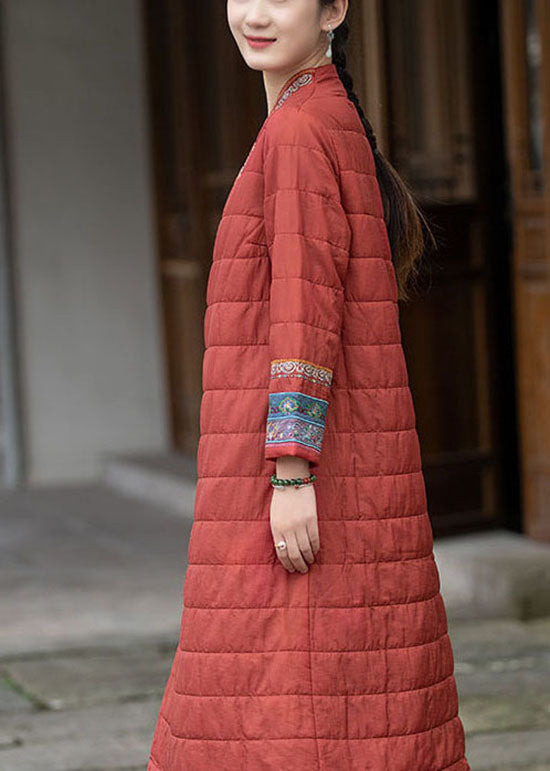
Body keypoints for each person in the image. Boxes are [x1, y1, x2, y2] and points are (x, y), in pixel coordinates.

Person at [147, 0, 470, 768]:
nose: (255, 14)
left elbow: (304, 305)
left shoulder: (297, 131)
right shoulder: (323, 116)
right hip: (347, 467)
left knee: (289, 704)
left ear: (334, 9)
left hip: (299, 475)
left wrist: (291, 470)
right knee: (344, 696)